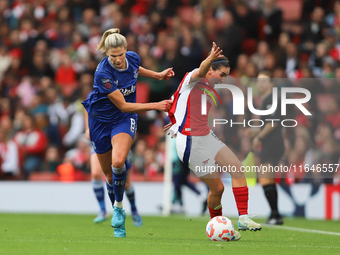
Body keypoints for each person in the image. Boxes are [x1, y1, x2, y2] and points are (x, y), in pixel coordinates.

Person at [82, 28, 174, 238]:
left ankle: (119, 209)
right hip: (100, 121)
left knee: (118, 162)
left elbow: (135, 70)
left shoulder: (132, 58)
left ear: (126, 50)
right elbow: (123, 105)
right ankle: (117, 208)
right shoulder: (103, 74)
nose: (117, 59)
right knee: (108, 175)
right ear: (107, 54)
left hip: (123, 120)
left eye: (120, 54)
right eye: (112, 56)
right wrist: (156, 105)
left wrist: (158, 75)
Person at [165, 42, 262, 241]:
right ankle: (217, 227)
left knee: (237, 168)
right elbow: (199, 71)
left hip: (206, 135)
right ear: (211, 70)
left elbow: (180, 104)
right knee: (217, 188)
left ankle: (243, 217)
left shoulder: (211, 89)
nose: (224, 78)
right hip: (190, 142)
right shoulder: (194, 78)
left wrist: (175, 120)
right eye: (222, 74)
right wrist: (209, 58)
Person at [84, 112, 143, 226]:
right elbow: (87, 111)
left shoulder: (120, 96)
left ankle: (134, 210)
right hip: (100, 137)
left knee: (126, 183)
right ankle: (103, 210)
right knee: (96, 174)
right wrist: (88, 128)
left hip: (118, 138)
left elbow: (128, 110)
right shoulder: (94, 97)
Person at [252, 71, 285, 225]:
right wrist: (254, 132)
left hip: (273, 143)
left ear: (272, 83)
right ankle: (275, 214)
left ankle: (275, 214)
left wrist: (259, 137)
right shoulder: (267, 100)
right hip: (272, 142)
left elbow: (274, 122)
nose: (260, 84)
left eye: (264, 81)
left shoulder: (272, 99)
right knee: (268, 179)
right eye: (259, 81)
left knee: (265, 178)